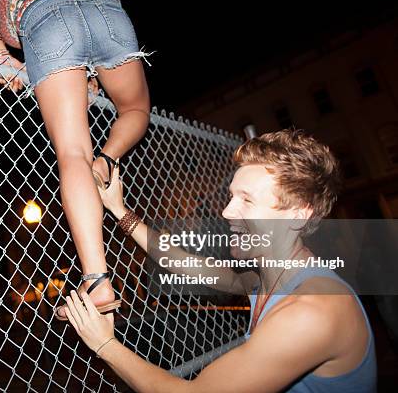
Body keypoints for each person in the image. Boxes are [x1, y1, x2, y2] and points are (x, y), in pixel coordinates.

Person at [63, 130, 377, 392]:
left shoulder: (313, 310)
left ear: (298, 213)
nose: (227, 212)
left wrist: (104, 344)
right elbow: (182, 263)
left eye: (247, 200)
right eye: (231, 196)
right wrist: (120, 212)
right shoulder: (262, 280)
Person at [0, 0, 151, 320]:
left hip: (45, 16)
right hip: (104, 7)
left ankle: (96, 282)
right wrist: (88, 72)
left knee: (73, 152)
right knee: (135, 110)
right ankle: (107, 160)